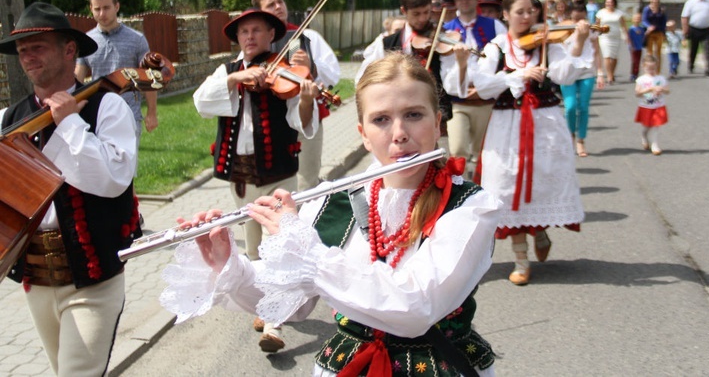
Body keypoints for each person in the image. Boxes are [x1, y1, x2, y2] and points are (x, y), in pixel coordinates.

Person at [162, 53, 499, 376]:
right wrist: (229, 267)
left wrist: (306, 252)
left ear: (438, 122)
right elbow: (292, 306)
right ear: (363, 135)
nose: (399, 134)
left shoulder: (469, 206)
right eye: (381, 119)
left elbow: (416, 308)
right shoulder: (333, 203)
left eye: (414, 114)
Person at [0, 2, 140, 375]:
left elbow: (111, 180)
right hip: (36, 281)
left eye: (38, 46)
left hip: (93, 278)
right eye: (23, 49)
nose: (27, 56)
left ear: (69, 49)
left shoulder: (106, 106)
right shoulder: (9, 119)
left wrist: (70, 125)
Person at [193, 8, 318, 353]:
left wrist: (306, 98)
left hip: (278, 174)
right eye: (244, 32)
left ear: (270, 36)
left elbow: (303, 123)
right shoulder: (228, 71)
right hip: (242, 177)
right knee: (251, 248)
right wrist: (235, 80)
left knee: (277, 246)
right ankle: (265, 305)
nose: (249, 37)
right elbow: (201, 102)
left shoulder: (286, 72)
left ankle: (274, 325)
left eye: (257, 31)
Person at [448, 0, 585, 286]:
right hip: (506, 124)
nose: (526, 17)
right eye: (519, 12)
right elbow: (483, 86)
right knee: (506, 184)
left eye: (530, 12)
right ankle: (521, 259)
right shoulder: (496, 46)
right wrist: (518, 75)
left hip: (544, 121)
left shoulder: (547, 42)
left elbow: (565, 75)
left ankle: (540, 229)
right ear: (506, 15)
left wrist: (581, 42)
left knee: (540, 180)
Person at [251, 0, 340, 193]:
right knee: (277, 186)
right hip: (270, 122)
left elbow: (334, 73)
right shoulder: (256, 41)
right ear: (261, 12)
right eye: (271, 5)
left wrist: (311, 67)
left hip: (305, 118)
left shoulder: (302, 36)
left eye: (280, 1)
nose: (278, 6)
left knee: (306, 182)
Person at [355, 0, 452, 125]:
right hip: (395, 114)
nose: (422, 19)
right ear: (403, 11)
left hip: (432, 113)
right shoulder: (386, 43)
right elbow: (363, 78)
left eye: (426, 12)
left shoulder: (440, 37)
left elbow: (451, 80)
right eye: (416, 14)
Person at [75, 0, 158, 143]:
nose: (102, 13)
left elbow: (148, 78)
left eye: (106, 8)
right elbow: (77, 79)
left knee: (127, 167)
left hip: (129, 115)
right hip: (98, 115)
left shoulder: (136, 40)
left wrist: (152, 113)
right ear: (90, 8)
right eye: (97, 9)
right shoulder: (86, 42)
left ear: (117, 6)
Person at [441, 0, 508, 174]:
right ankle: (459, 188)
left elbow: (505, 57)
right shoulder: (446, 29)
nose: (465, 1)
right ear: (455, 1)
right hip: (458, 100)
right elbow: (445, 67)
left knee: (483, 152)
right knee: (458, 149)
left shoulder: (494, 25)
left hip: (485, 99)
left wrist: (491, 85)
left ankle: (480, 188)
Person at [560, 0, 605, 157]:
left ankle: (581, 140)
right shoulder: (563, 28)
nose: (578, 22)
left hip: (587, 71)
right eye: (575, 19)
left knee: (583, 107)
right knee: (570, 106)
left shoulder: (591, 30)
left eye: (581, 19)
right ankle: (571, 135)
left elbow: (597, 51)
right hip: (568, 71)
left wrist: (600, 72)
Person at [635, 54, 669, 155]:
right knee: (647, 126)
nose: (651, 70)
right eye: (649, 68)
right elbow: (637, 93)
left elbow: (667, 90)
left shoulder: (661, 78)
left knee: (655, 125)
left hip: (658, 105)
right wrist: (648, 89)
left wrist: (662, 89)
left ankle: (655, 144)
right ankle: (644, 135)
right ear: (644, 67)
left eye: (653, 68)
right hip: (646, 106)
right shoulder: (641, 80)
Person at [681, 0, 709, 76]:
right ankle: (691, 66)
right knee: (693, 49)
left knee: (707, 49)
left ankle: (708, 68)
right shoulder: (690, 2)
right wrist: (685, 29)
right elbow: (685, 16)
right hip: (694, 29)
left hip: (706, 29)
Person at [595, 0, 630, 84]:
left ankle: (612, 73)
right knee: (607, 56)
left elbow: (624, 26)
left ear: (614, 3)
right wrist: (595, 34)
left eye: (611, 2)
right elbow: (597, 25)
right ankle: (609, 76)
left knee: (614, 57)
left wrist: (627, 36)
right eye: (607, 2)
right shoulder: (600, 13)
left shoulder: (619, 13)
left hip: (616, 37)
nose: (609, 4)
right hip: (604, 37)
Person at [642, 0, 667, 73]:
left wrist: (664, 33)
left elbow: (664, 22)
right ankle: (648, 70)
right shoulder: (647, 9)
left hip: (659, 32)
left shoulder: (661, 10)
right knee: (649, 52)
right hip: (650, 33)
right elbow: (644, 20)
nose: (655, 0)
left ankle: (657, 71)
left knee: (658, 53)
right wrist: (649, 26)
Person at [628, 13, 647, 82]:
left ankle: (636, 74)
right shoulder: (631, 29)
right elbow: (629, 38)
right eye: (636, 18)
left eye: (639, 18)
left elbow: (643, 37)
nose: (637, 20)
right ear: (632, 20)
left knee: (638, 61)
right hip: (633, 48)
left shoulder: (641, 28)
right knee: (634, 61)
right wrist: (631, 46)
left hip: (639, 47)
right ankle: (633, 74)